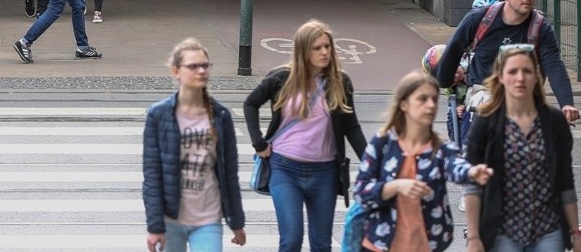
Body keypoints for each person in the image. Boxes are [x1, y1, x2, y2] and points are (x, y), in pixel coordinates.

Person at [243, 19, 367, 252]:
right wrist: (258, 143)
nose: (324, 52)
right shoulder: (281, 78)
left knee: (321, 244)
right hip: (284, 169)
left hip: (325, 173)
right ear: (303, 50)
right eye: (317, 47)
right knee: (291, 240)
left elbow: (352, 128)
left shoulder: (340, 82)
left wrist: (372, 163)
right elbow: (250, 104)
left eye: (327, 46)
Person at [354, 71, 493, 252]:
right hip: (380, 243)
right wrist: (396, 186)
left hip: (425, 244)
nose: (431, 105)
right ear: (404, 104)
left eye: (434, 99)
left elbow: (455, 165)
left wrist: (472, 172)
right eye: (422, 99)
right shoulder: (382, 142)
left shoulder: (441, 148)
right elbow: (361, 191)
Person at [463, 44, 580, 252]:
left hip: (548, 229)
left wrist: (575, 233)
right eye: (512, 71)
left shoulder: (554, 122)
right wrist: (473, 237)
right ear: (500, 76)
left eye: (527, 71)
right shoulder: (485, 123)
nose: (520, 78)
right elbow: (473, 185)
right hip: (501, 231)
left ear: (536, 76)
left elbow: (565, 180)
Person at [143, 38, 246, 252]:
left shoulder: (220, 115)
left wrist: (236, 222)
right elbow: (152, 175)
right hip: (171, 218)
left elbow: (229, 174)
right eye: (193, 66)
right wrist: (154, 227)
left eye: (205, 66)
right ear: (176, 71)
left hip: (208, 218)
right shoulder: (159, 115)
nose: (201, 71)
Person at [434, 0, 579, 123]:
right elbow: (454, 49)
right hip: (483, 92)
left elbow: (554, 64)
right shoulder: (479, 18)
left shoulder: (541, 28)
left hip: (524, 96)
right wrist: (442, 81)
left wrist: (566, 103)